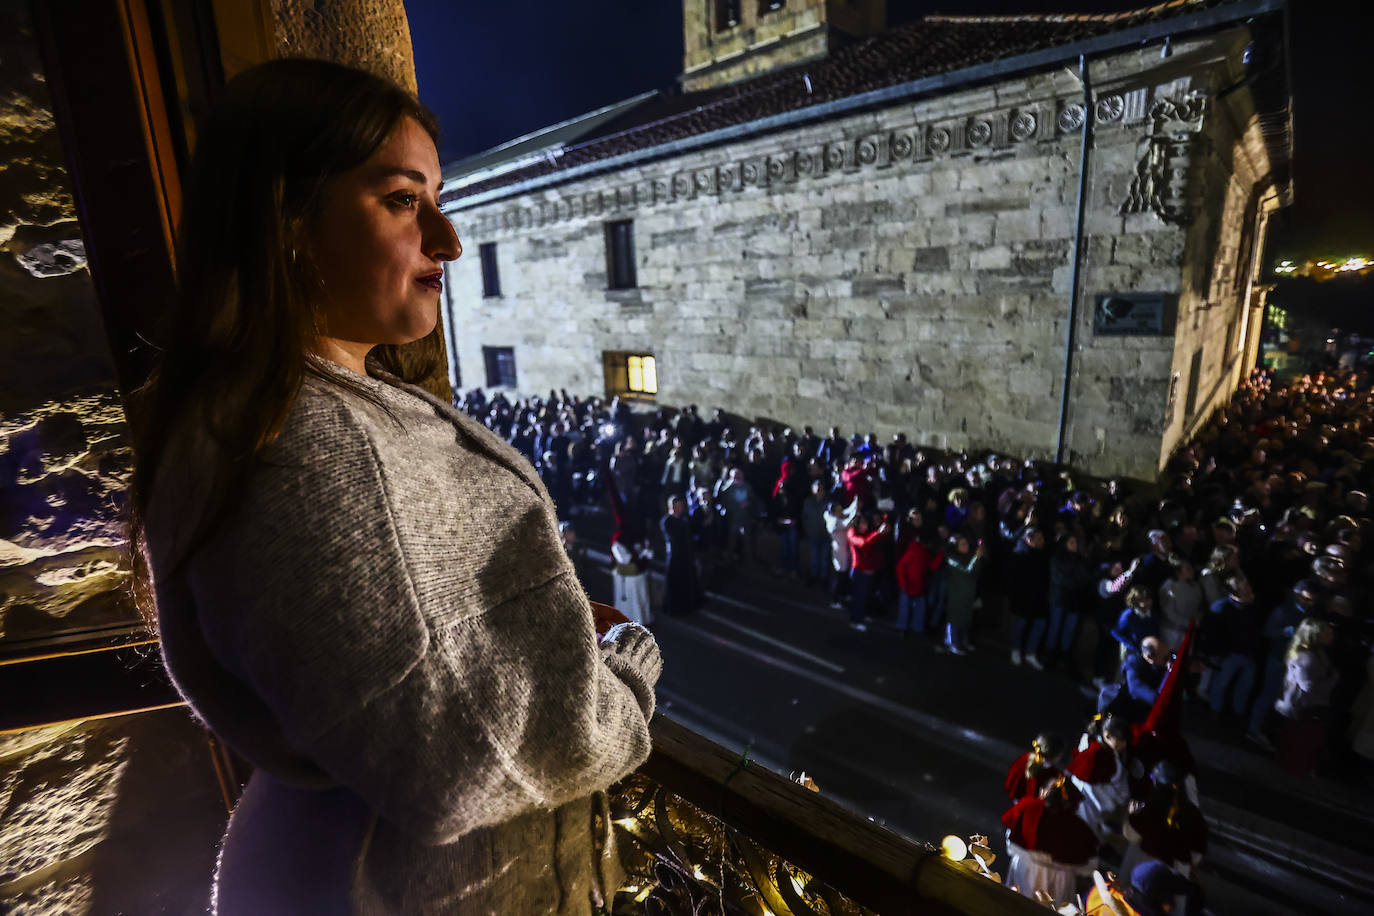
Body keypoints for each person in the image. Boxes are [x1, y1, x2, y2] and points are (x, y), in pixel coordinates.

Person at [132, 60, 661, 914]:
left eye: (437, 199)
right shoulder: (309, 441)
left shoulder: (268, 410)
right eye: (402, 200)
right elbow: (457, 766)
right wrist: (621, 674)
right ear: (288, 220)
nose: (448, 240)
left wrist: (541, 632)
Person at [1002, 778, 1099, 906]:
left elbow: (1011, 841)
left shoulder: (1029, 808)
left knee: (1015, 907)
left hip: (1026, 870)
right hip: (1060, 882)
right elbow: (1088, 867)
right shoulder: (1080, 828)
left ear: (1045, 792)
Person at [1275, 617, 1339, 776]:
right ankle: (1294, 769)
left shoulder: (1318, 653)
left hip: (1307, 706)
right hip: (1304, 707)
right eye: (1327, 633)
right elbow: (1307, 686)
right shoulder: (1307, 657)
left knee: (1300, 739)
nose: (1331, 637)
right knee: (1301, 740)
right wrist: (1332, 681)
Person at [1007, 527, 1051, 669]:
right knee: (1020, 625)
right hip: (1023, 597)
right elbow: (1013, 579)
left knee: (1039, 625)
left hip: (1039, 597)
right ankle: (1016, 650)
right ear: (1029, 540)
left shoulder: (1044, 556)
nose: (1042, 541)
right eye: (1038, 539)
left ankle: (1030, 653)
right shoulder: (1019, 555)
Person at [660, 494, 702, 617]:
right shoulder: (667, 521)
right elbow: (673, 537)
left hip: (686, 555)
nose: (679, 508)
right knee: (675, 583)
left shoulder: (685, 518)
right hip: (675, 556)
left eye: (681, 506)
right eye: (677, 506)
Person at [943, 533, 985, 654]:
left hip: (968, 594)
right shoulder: (951, 559)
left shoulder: (968, 556)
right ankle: (953, 643)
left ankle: (964, 642)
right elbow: (966, 572)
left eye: (966, 543)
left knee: (966, 619)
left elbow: (975, 572)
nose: (966, 546)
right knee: (955, 619)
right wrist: (976, 558)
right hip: (956, 595)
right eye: (962, 544)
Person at [1005, 733, 1066, 802]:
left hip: (1018, 802)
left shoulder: (1024, 758)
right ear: (1056, 756)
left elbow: (1012, 780)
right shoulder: (1053, 774)